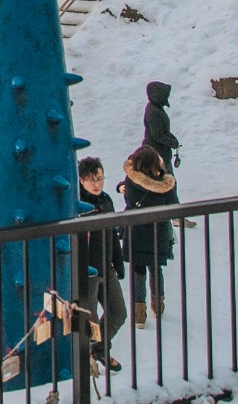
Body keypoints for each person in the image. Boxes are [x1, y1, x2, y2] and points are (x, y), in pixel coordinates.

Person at [76, 157, 127, 371]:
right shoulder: (78, 204)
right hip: (87, 271)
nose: (97, 184)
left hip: (107, 267)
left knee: (118, 313)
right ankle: (86, 359)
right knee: (90, 319)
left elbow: (113, 233)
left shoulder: (106, 200)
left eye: (100, 178)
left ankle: (99, 347)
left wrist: (118, 261)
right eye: (91, 180)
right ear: (80, 180)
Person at [120, 144, 178, 326]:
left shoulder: (131, 182)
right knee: (155, 269)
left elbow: (128, 199)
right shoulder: (166, 186)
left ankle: (139, 314)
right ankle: (158, 304)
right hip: (157, 234)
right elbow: (172, 204)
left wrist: (120, 187)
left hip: (135, 232)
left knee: (138, 271)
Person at [143, 81, 180, 171]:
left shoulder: (155, 108)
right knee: (167, 183)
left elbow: (162, 131)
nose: (167, 97)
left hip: (159, 153)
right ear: (158, 96)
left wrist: (172, 138)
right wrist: (172, 142)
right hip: (157, 155)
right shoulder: (154, 112)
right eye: (165, 95)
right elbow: (158, 135)